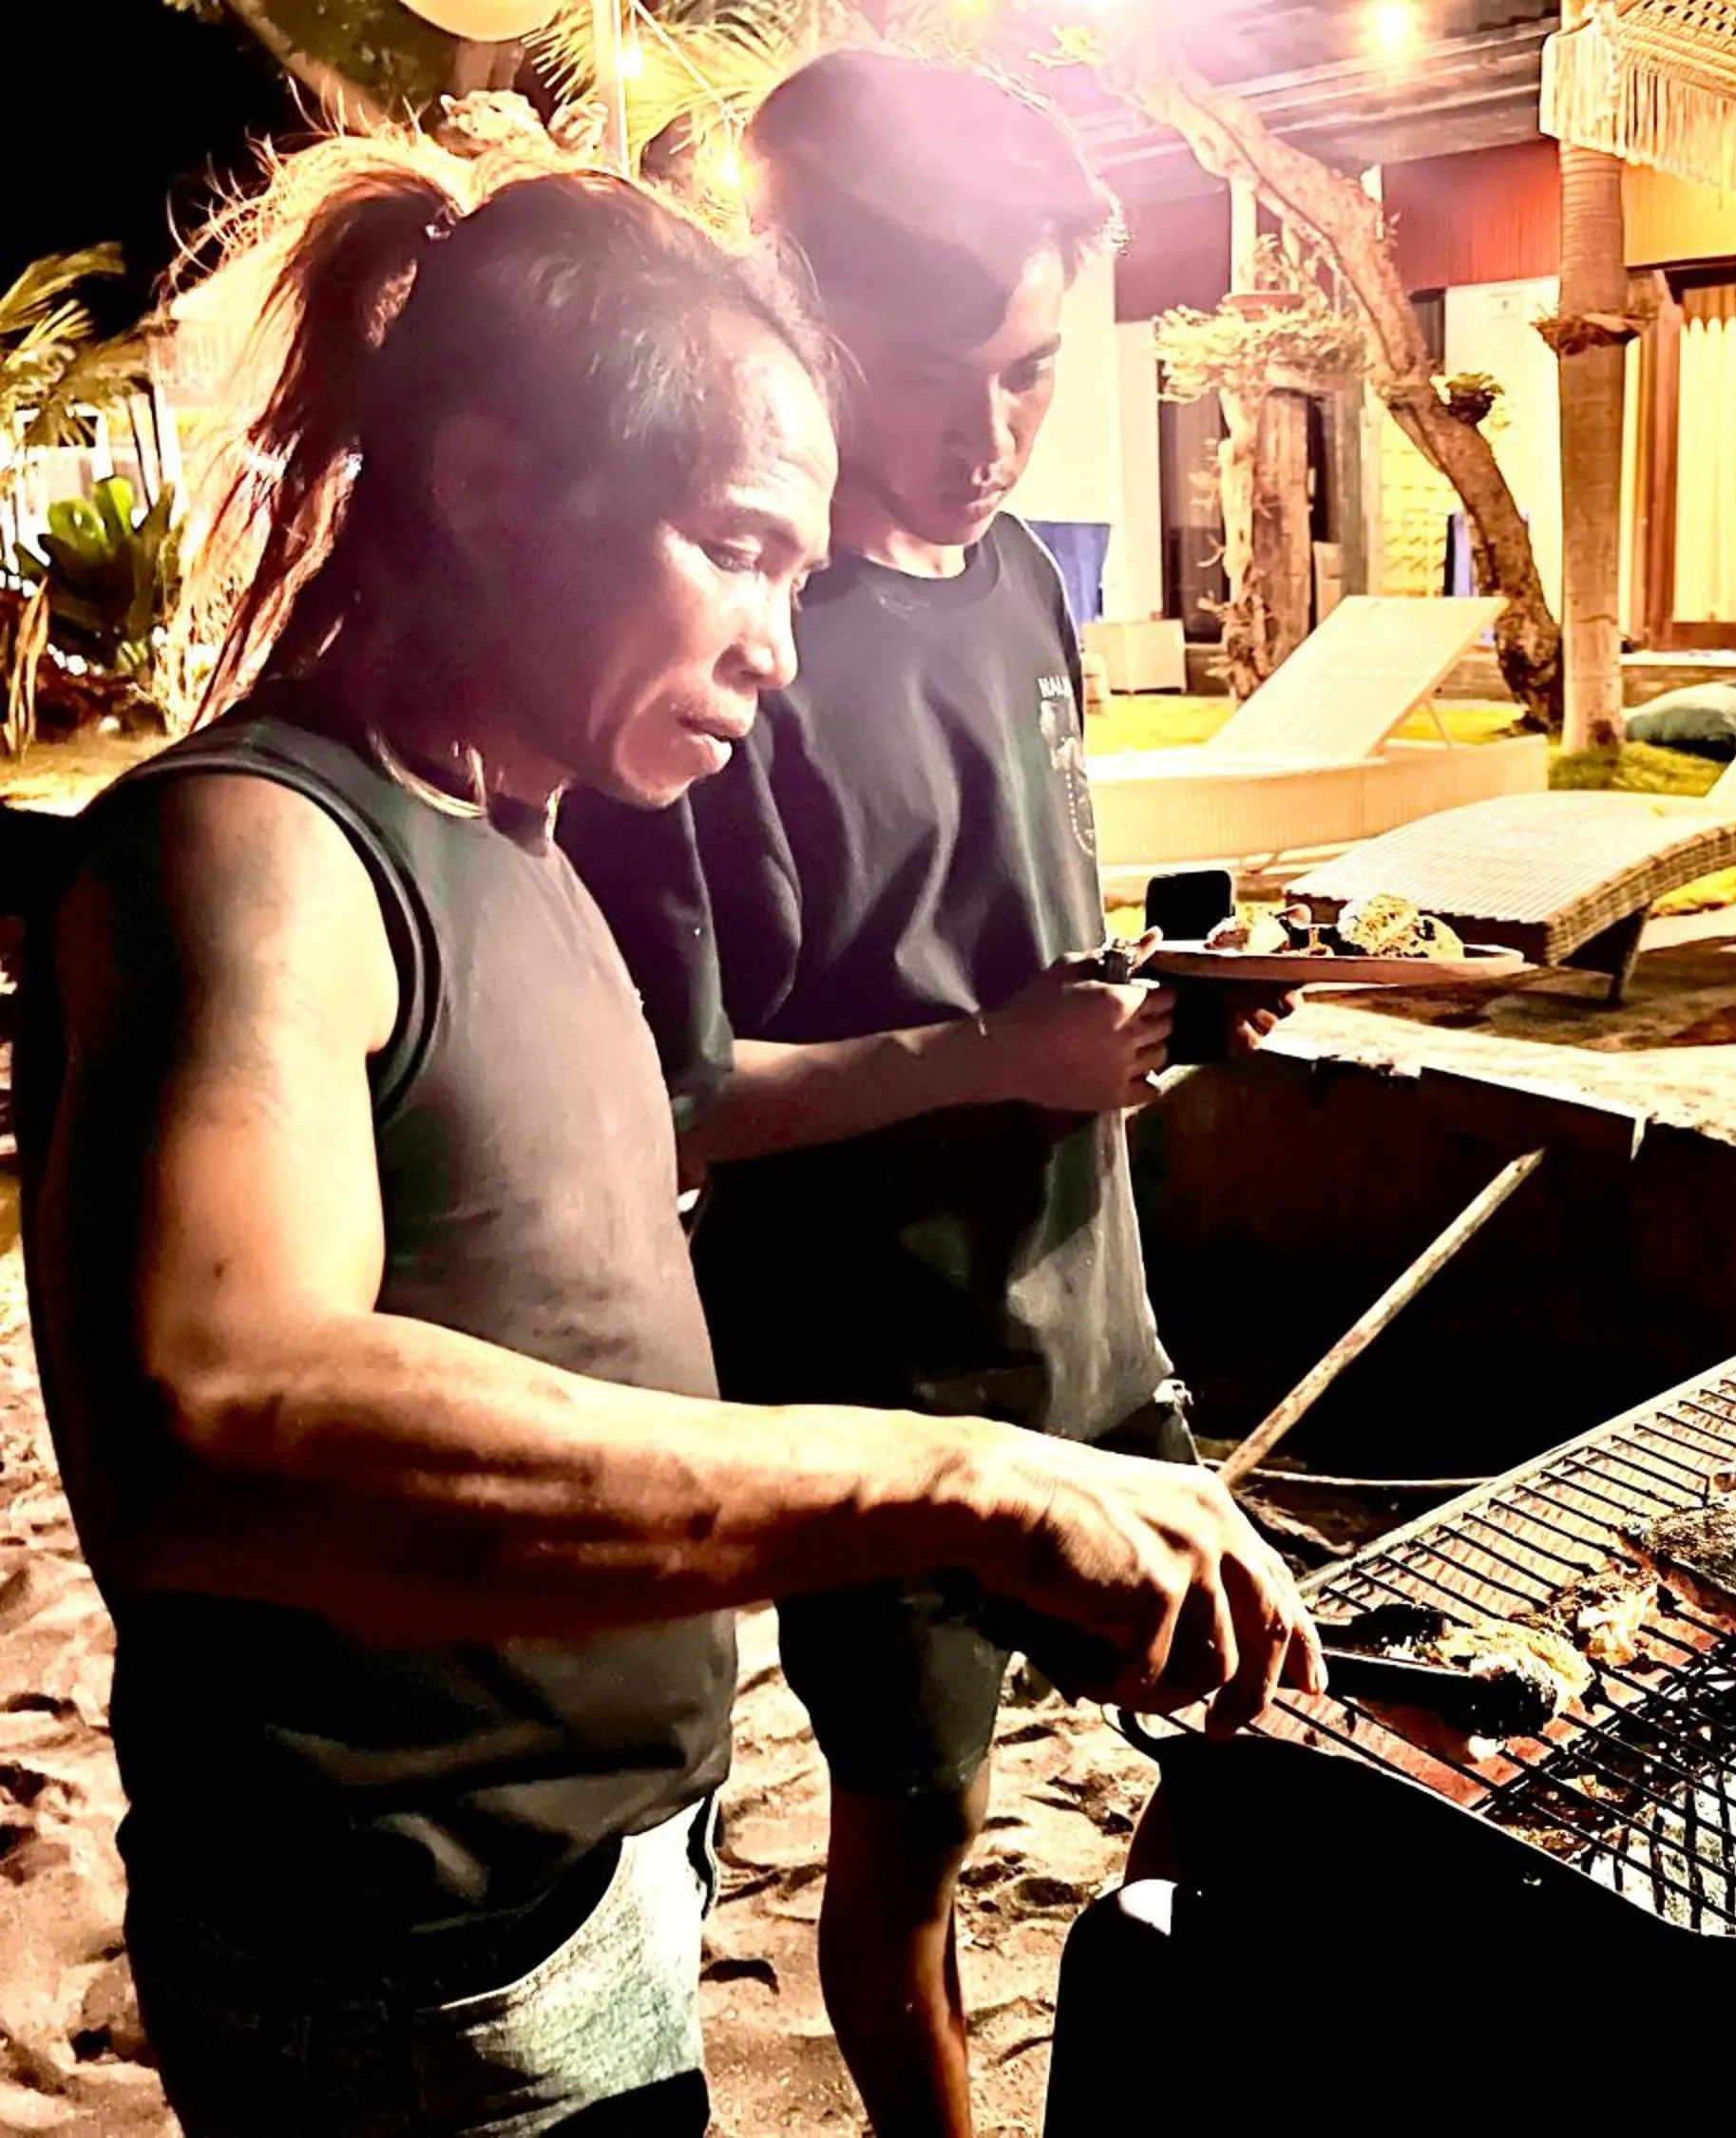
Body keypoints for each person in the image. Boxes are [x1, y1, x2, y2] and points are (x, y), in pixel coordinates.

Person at [22, 135, 1319, 2138]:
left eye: (797, 573)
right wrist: (950, 1476)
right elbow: (218, 1412)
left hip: (614, 1880)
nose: (777, 646)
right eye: (733, 548)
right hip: (410, 1971)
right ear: (486, 491)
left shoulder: (533, 841)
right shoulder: (256, 851)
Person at [557, 51, 1290, 2138]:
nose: (984, 440)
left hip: (1090, 1313)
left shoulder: (1022, 586)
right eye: (935, 376)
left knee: (1250, 1720)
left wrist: (1167, 1008)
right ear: (803, 324)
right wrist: (993, 1059)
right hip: (863, 1381)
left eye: (1034, 374)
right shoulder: (721, 648)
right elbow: (678, 1103)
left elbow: (1026, 907)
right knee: (915, 1851)